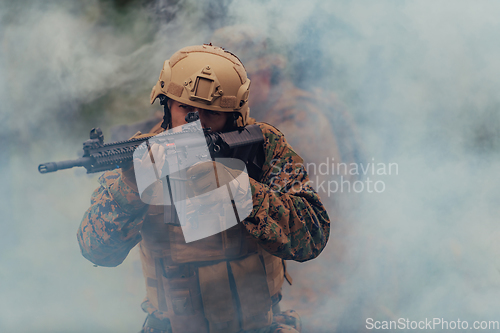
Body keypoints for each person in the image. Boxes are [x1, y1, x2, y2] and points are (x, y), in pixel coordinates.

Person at [77, 44, 330, 333]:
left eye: (210, 114)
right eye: (185, 108)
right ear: (166, 104)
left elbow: (313, 236)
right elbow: (97, 251)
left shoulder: (265, 145)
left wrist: (239, 189)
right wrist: (130, 188)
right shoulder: (141, 155)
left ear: (234, 116)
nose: (194, 124)